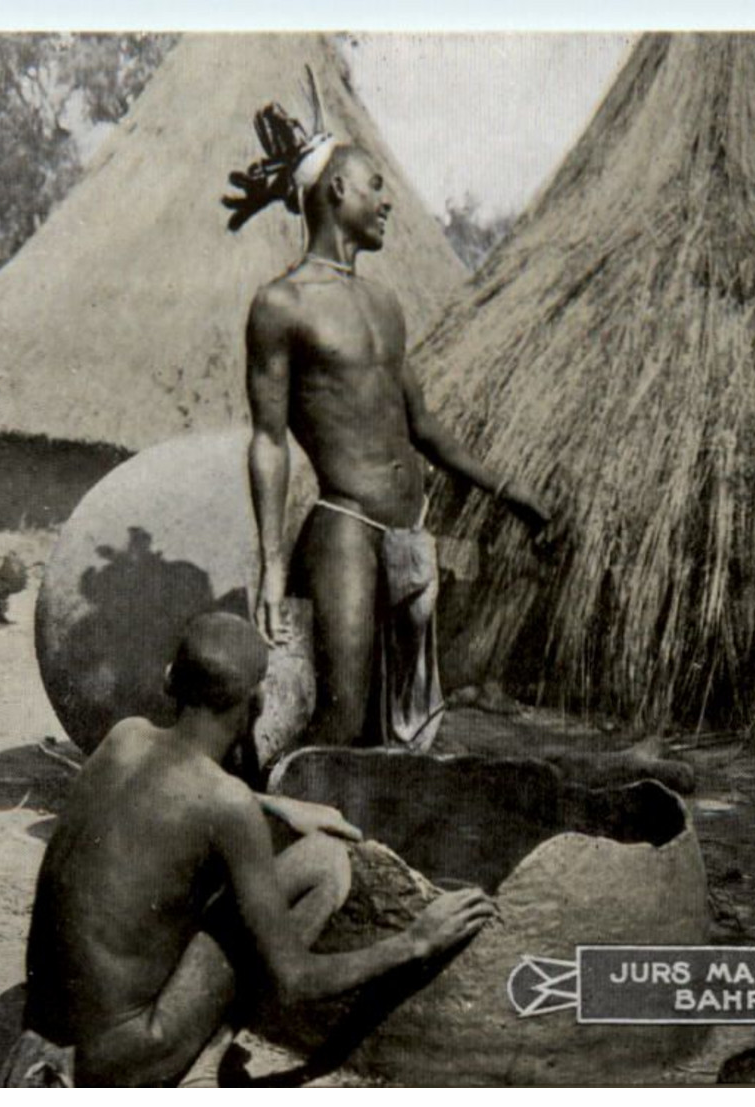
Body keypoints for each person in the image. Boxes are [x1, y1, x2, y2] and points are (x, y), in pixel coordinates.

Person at [1, 612, 496, 1087]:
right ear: (254, 702)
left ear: (171, 679)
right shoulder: (226, 805)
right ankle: (200, 1060)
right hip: (116, 1067)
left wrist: (275, 805)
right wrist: (416, 941)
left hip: (35, 1045)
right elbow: (295, 979)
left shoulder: (123, 737)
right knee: (324, 862)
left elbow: (168, 789)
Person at [226, 94, 558, 751]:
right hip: (346, 528)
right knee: (343, 717)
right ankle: (282, 834)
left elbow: (424, 427)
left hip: (407, 536)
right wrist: (269, 564)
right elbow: (268, 440)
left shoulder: (384, 304)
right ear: (338, 187)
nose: (387, 202)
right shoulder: (281, 304)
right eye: (376, 187)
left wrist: (510, 493)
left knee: (403, 725)